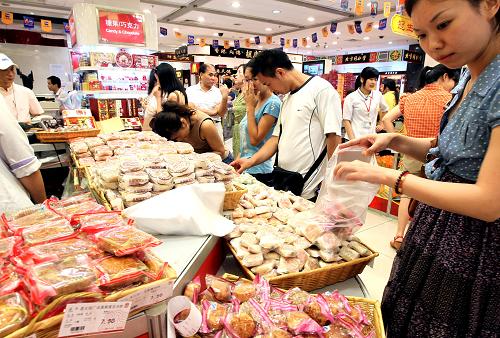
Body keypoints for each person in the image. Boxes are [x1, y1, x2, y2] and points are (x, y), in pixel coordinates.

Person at [334, 0, 499, 336]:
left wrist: (389, 176)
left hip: (477, 245)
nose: (433, 45)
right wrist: (394, 141)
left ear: (490, 4)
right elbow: (448, 151)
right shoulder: (468, 73)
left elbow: (489, 201)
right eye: (422, 34)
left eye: (444, 24)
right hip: (437, 226)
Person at [231, 49, 342, 200]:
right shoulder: (287, 98)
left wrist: (331, 179)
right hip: (286, 181)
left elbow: (333, 136)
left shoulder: (322, 90)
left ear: (280, 73)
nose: (270, 88)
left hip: (310, 184)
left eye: (268, 83)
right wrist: (250, 161)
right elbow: (275, 139)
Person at [382, 64, 460, 250]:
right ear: (444, 77)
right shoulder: (451, 99)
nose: (454, 85)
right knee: (432, 198)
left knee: (407, 193)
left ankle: (399, 236)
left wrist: (398, 143)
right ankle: (423, 242)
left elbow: (386, 119)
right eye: (453, 81)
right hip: (438, 156)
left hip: (411, 151)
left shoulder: (409, 98)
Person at [0, 95, 46, 211]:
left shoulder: (25, 92)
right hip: (8, 205)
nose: (10, 75)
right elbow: (25, 165)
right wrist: (45, 207)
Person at [239, 60, 281, 184]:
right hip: (245, 166)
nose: (251, 84)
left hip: (260, 169)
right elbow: (244, 140)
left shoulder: (272, 103)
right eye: (247, 80)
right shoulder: (255, 100)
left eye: (255, 79)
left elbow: (255, 140)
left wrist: (249, 107)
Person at [151, 102, 233, 164]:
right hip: (200, 162)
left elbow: (220, 151)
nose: (178, 140)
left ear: (183, 123)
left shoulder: (205, 125)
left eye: (177, 138)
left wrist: (195, 158)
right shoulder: (177, 118)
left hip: (222, 161)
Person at [342, 67, 389, 140]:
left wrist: (381, 124)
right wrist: (353, 140)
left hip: (371, 138)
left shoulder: (378, 95)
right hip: (354, 138)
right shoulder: (351, 97)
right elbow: (346, 120)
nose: (373, 82)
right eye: (371, 79)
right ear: (362, 79)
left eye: (375, 79)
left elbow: (385, 110)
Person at [186, 63, 229, 140]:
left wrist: (197, 109)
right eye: (210, 75)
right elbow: (190, 109)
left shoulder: (218, 92)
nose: (213, 78)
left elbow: (221, 113)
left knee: (217, 151)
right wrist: (213, 112)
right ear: (201, 75)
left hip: (215, 127)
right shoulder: (190, 90)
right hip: (196, 127)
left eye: (214, 75)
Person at [142, 63, 188, 131]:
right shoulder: (168, 92)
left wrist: (158, 98)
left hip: (160, 134)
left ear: (164, 79)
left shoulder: (173, 95)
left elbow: (164, 120)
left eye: (157, 80)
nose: (157, 83)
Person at [0, 53, 43, 122]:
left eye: (12, 69)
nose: (10, 74)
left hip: (26, 132)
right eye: (5, 70)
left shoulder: (26, 92)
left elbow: (38, 115)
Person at [231, 64, 248, 158]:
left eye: (239, 72)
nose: (235, 75)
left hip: (246, 132)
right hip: (237, 130)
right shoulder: (240, 93)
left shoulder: (250, 94)